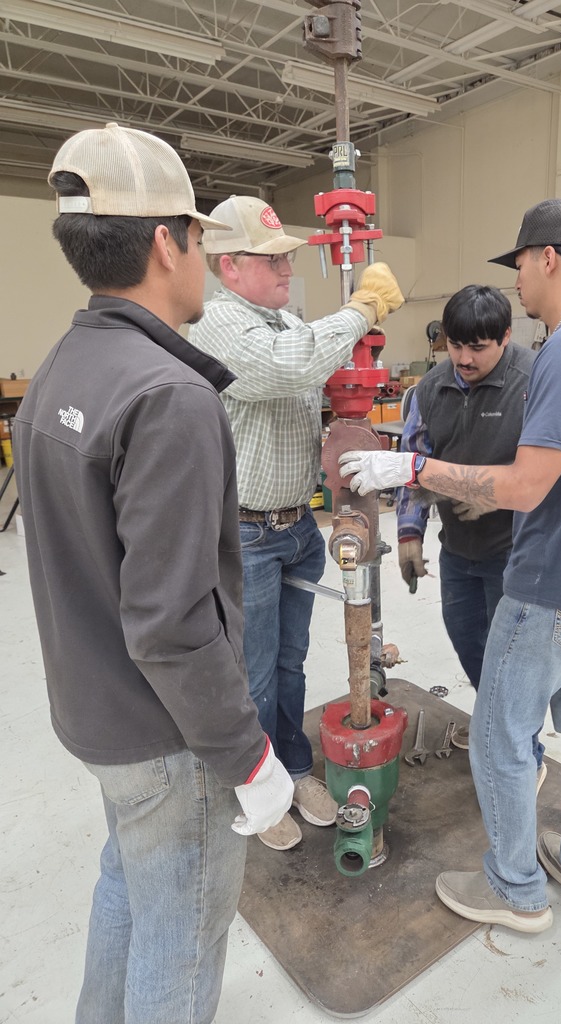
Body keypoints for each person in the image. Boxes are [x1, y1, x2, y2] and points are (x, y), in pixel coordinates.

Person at [13, 123, 295, 1024]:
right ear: (168, 240)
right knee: (182, 937)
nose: (206, 255)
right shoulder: (167, 394)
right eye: (202, 235)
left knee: (127, 891)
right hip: (165, 738)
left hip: (92, 713)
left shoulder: (64, 364)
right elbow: (174, 622)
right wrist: (249, 755)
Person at [339, 198, 561, 935]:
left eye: (520, 269)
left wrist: (409, 467)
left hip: (553, 587)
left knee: (499, 735)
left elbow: (522, 485)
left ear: (545, 258)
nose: (519, 286)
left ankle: (516, 889)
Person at [189, 195, 404, 851]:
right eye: (272, 259)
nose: (288, 270)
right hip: (247, 532)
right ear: (229, 266)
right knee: (252, 672)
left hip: (296, 530)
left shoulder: (284, 324)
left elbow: (310, 362)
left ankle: (295, 769)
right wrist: (360, 308)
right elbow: (290, 367)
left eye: (289, 257)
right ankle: (257, 791)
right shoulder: (221, 324)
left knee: (290, 664)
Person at [396, 284, 544, 777]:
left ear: (504, 337)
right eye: (454, 345)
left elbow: (555, 475)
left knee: (514, 667)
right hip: (457, 553)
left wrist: (495, 495)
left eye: (477, 347)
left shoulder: (533, 382)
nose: (463, 358)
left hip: (516, 556)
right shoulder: (430, 388)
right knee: (471, 646)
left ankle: (526, 756)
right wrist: (409, 533)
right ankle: (499, 729)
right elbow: (413, 462)